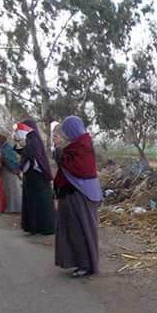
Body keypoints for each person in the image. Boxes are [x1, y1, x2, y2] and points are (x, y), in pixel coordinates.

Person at [53, 116, 103, 277]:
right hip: (72, 194)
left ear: (71, 130)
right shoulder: (77, 145)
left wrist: (59, 151)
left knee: (81, 229)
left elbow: (78, 169)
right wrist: (58, 150)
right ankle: (77, 262)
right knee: (73, 229)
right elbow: (65, 163)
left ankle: (86, 265)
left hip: (80, 195)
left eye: (65, 131)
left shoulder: (83, 146)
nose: (63, 134)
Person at [15, 119, 55, 235]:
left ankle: (45, 227)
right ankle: (33, 227)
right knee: (31, 201)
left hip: (38, 176)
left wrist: (24, 146)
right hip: (30, 176)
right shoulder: (27, 139)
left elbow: (31, 155)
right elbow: (21, 153)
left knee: (41, 202)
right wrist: (19, 144)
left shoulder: (34, 140)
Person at [0, 133, 22, 214]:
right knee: (5, 190)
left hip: (9, 172)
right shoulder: (1, 147)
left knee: (11, 190)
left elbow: (13, 160)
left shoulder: (8, 148)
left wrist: (1, 157)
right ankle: (7, 207)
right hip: (4, 172)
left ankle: (14, 208)